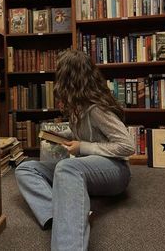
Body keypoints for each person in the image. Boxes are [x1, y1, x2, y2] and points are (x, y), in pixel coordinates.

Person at [15, 50, 135, 251]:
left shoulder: (97, 109)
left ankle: (69, 240)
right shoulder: (76, 105)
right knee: (25, 169)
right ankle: (64, 216)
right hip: (88, 169)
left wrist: (83, 147)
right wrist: (62, 136)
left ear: (69, 78)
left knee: (66, 168)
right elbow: (85, 133)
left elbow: (127, 146)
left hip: (115, 171)